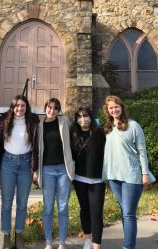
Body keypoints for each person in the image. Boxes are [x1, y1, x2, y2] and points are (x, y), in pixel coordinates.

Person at [102, 95, 150, 249]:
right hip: (113, 176)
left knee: (128, 213)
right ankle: (129, 243)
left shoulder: (133, 126)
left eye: (116, 106)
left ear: (121, 107)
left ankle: (128, 247)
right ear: (107, 111)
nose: (114, 109)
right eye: (111, 108)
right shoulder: (107, 129)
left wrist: (145, 173)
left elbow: (142, 151)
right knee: (125, 212)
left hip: (131, 176)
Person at [0, 95, 39, 249]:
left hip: (25, 164)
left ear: (27, 107)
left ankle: (19, 237)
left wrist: (36, 168)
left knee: (22, 204)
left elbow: (37, 145)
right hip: (7, 163)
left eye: (23, 105)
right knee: (6, 203)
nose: (19, 108)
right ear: (12, 107)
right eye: (17, 106)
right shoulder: (4, 121)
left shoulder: (34, 121)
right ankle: (6, 237)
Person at [36, 98, 75, 249]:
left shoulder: (64, 122)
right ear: (45, 108)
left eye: (55, 108)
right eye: (49, 107)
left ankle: (62, 242)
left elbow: (74, 139)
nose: (52, 111)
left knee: (63, 207)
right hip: (47, 170)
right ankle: (48, 241)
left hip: (63, 170)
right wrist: (35, 171)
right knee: (48, 207)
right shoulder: (39, 125)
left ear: (59, 111)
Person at [70, 106, 106, 249]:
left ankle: (97, 245)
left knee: (96, 213)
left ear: (91, 117)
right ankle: (88, 240)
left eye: (85, 116)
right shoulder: (73, 134)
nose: (82, 119)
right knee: (84, 209)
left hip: (97, 180)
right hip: (79, 179)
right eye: (79, 117)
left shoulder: (100, 133)